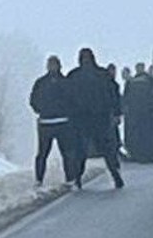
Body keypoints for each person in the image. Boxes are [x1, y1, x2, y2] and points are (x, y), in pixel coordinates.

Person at [65, 48, 125, 189]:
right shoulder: (103, 75)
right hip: (101, 118)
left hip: (81, 120)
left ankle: (77, 179)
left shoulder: (73, 76)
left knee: (81, 151)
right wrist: (116, 113)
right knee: (107, 150)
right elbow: (113, 94)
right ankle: (115, 176)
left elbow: (67, 99)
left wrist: (69, 117)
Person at [29, 55, 76, 188]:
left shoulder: (40, 83)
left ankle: (39, 179)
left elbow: (33, 100)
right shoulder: (66, 82)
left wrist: (41, 110)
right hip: (63, 122)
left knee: (42, 154)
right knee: (67, 152)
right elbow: (73, 100)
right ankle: (70, 178)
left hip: (45, 123)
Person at [123, 62, 153, 161]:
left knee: (142, 135)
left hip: (140, 113)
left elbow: (126, 98)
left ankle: (141, 155)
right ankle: (149, 155)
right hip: (147, 113)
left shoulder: (133, 81)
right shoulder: (149, 80)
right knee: (148, 135)